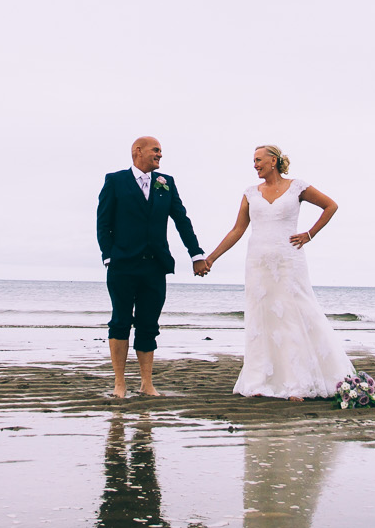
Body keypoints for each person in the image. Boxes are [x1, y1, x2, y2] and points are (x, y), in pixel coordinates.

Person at [199, 145, 352, 400]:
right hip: (258, 263)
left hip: (289, 262)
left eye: (258, 160)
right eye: (254, 161)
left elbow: (331, 206)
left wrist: (309, 234)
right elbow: (237, 230)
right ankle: (260, 381)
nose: (255, 164)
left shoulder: (297, 187)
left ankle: (296, 384)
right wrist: (211, 258)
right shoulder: (250, 193)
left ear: (273, 161)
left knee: (293, 315)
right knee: (262, 318)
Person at [95, 136, 206, 398]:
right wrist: (109, 256)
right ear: (138, 151)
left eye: (160, 151)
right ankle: (120, 383)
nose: (160, 155)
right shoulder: (115, 181)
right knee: (120, 322)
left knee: (148, 324)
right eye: (156, 150)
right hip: (122, 265)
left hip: (155, 266)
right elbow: (103, 222)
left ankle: (147, 383)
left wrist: (196, 254)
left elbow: (181, 219)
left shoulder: (166, 183)